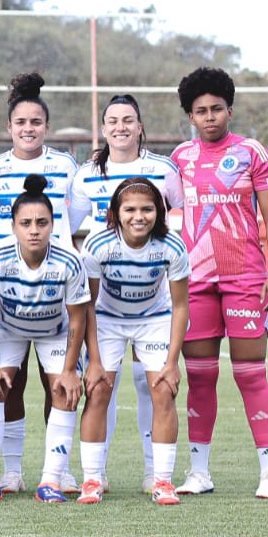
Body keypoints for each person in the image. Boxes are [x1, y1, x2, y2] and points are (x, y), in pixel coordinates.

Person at [171, 67, 268, 499]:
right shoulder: (180, 159)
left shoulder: (252, 152)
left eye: (217, 108)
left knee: (250, 375)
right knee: (200, 376)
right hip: (195, 281)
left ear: (230, 110)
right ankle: (199, 472)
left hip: (245, 278)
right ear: (191, 116)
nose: (210, 116)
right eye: (201, 111)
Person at [68, 93, 185, 494]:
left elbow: (179, 221)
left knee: (157, 387)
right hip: (109, 312)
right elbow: (67, 228)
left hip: (154, 305)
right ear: (103, 128)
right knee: (100, 385)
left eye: (128, 119)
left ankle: (159, 475)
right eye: (112, 120)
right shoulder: (87, 177)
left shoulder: (163, 170)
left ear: (140, 126)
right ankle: (94, 476)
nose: (120, 126)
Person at [0, 72, 80, 494]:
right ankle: (11, 471)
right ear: (9, 128)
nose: (29, 129)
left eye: (36, 122)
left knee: (57, 384)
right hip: (7, 296)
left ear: (46, 127)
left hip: (54, 290)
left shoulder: (65, 166)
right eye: (21, 123)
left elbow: (79, 214)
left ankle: (58, 471)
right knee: (6, 385)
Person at [0, 174, 91, 504]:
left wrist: (69, 371)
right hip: (8, 327)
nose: (34, 229)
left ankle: (51, 481)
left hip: (54, 331)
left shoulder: (69, 260)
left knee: (64, 393)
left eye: (41, 222)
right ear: (13, 226)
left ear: (53, 224)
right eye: (26, 223)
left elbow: (78, 317)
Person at [78, 178, 190, 505]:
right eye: (130, 209)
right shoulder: (99, 245)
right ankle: (92, 480)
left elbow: (181, 305)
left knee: (164, 391)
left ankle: (163, 481)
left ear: (160, 212)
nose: (138, 216)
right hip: (107, 319)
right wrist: (95, 362)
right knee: (98, 390)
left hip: (153, 319)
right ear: (116, 213)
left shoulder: (172, 246)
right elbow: (87, 303)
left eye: (147, 209)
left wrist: (172, 363)